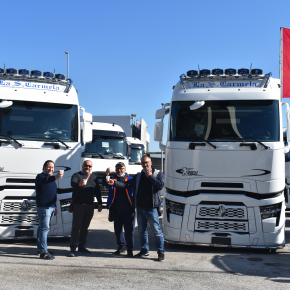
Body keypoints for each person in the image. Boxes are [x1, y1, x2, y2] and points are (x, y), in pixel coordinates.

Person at [107, 156, 165, 261]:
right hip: (140, 208)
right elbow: (126, 185)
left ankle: (160, 251)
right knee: (142, 231)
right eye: (143, 163)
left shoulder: (158, 173)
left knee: (157, 231)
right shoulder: (138, 176)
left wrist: (150, 176)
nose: (145, 165)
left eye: (146, 162)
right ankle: (144, 250)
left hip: (152, 208)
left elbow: (160, 186)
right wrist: (115, 183)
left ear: (151, 163)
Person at [69, 160, 102, 257]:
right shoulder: (76, 175)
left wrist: (100, 204)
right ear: (82, 166)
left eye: (89, 166)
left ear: (92, 167)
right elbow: (73, 183)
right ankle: (72, 248)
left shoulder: (94, 177)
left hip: (90, 206)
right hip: (78, 205)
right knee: (76, 227)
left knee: (85, 228)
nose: (87, 167)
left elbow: (98, 191)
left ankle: (82, 246)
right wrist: (79, 184)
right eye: (86, 165)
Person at [103, 162, 135, 257]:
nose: (119, 170)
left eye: (121, 168)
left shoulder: (130, 179)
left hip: (128, 209)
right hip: (116, 209)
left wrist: (115, 183)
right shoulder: (112, 178)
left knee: (129, 231)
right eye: (117, 168)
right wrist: (106, 175)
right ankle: (121, 246)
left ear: (125, 169)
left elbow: (126, 186)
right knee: (118, 230)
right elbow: (104, 183)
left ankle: (130, 249)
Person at [35, 160, 63, 260]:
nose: (51, 169)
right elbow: (44, 180)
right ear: (44, 167)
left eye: (52, 167)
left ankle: (41, 248)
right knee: (44, 228)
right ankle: (43, 251)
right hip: (44, 207)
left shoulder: (51, 179)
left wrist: (55, 206)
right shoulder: (40, 177)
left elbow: (53, 194)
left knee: (41, 227)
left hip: (50, 207)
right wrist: (55, 177)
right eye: (48, 167)